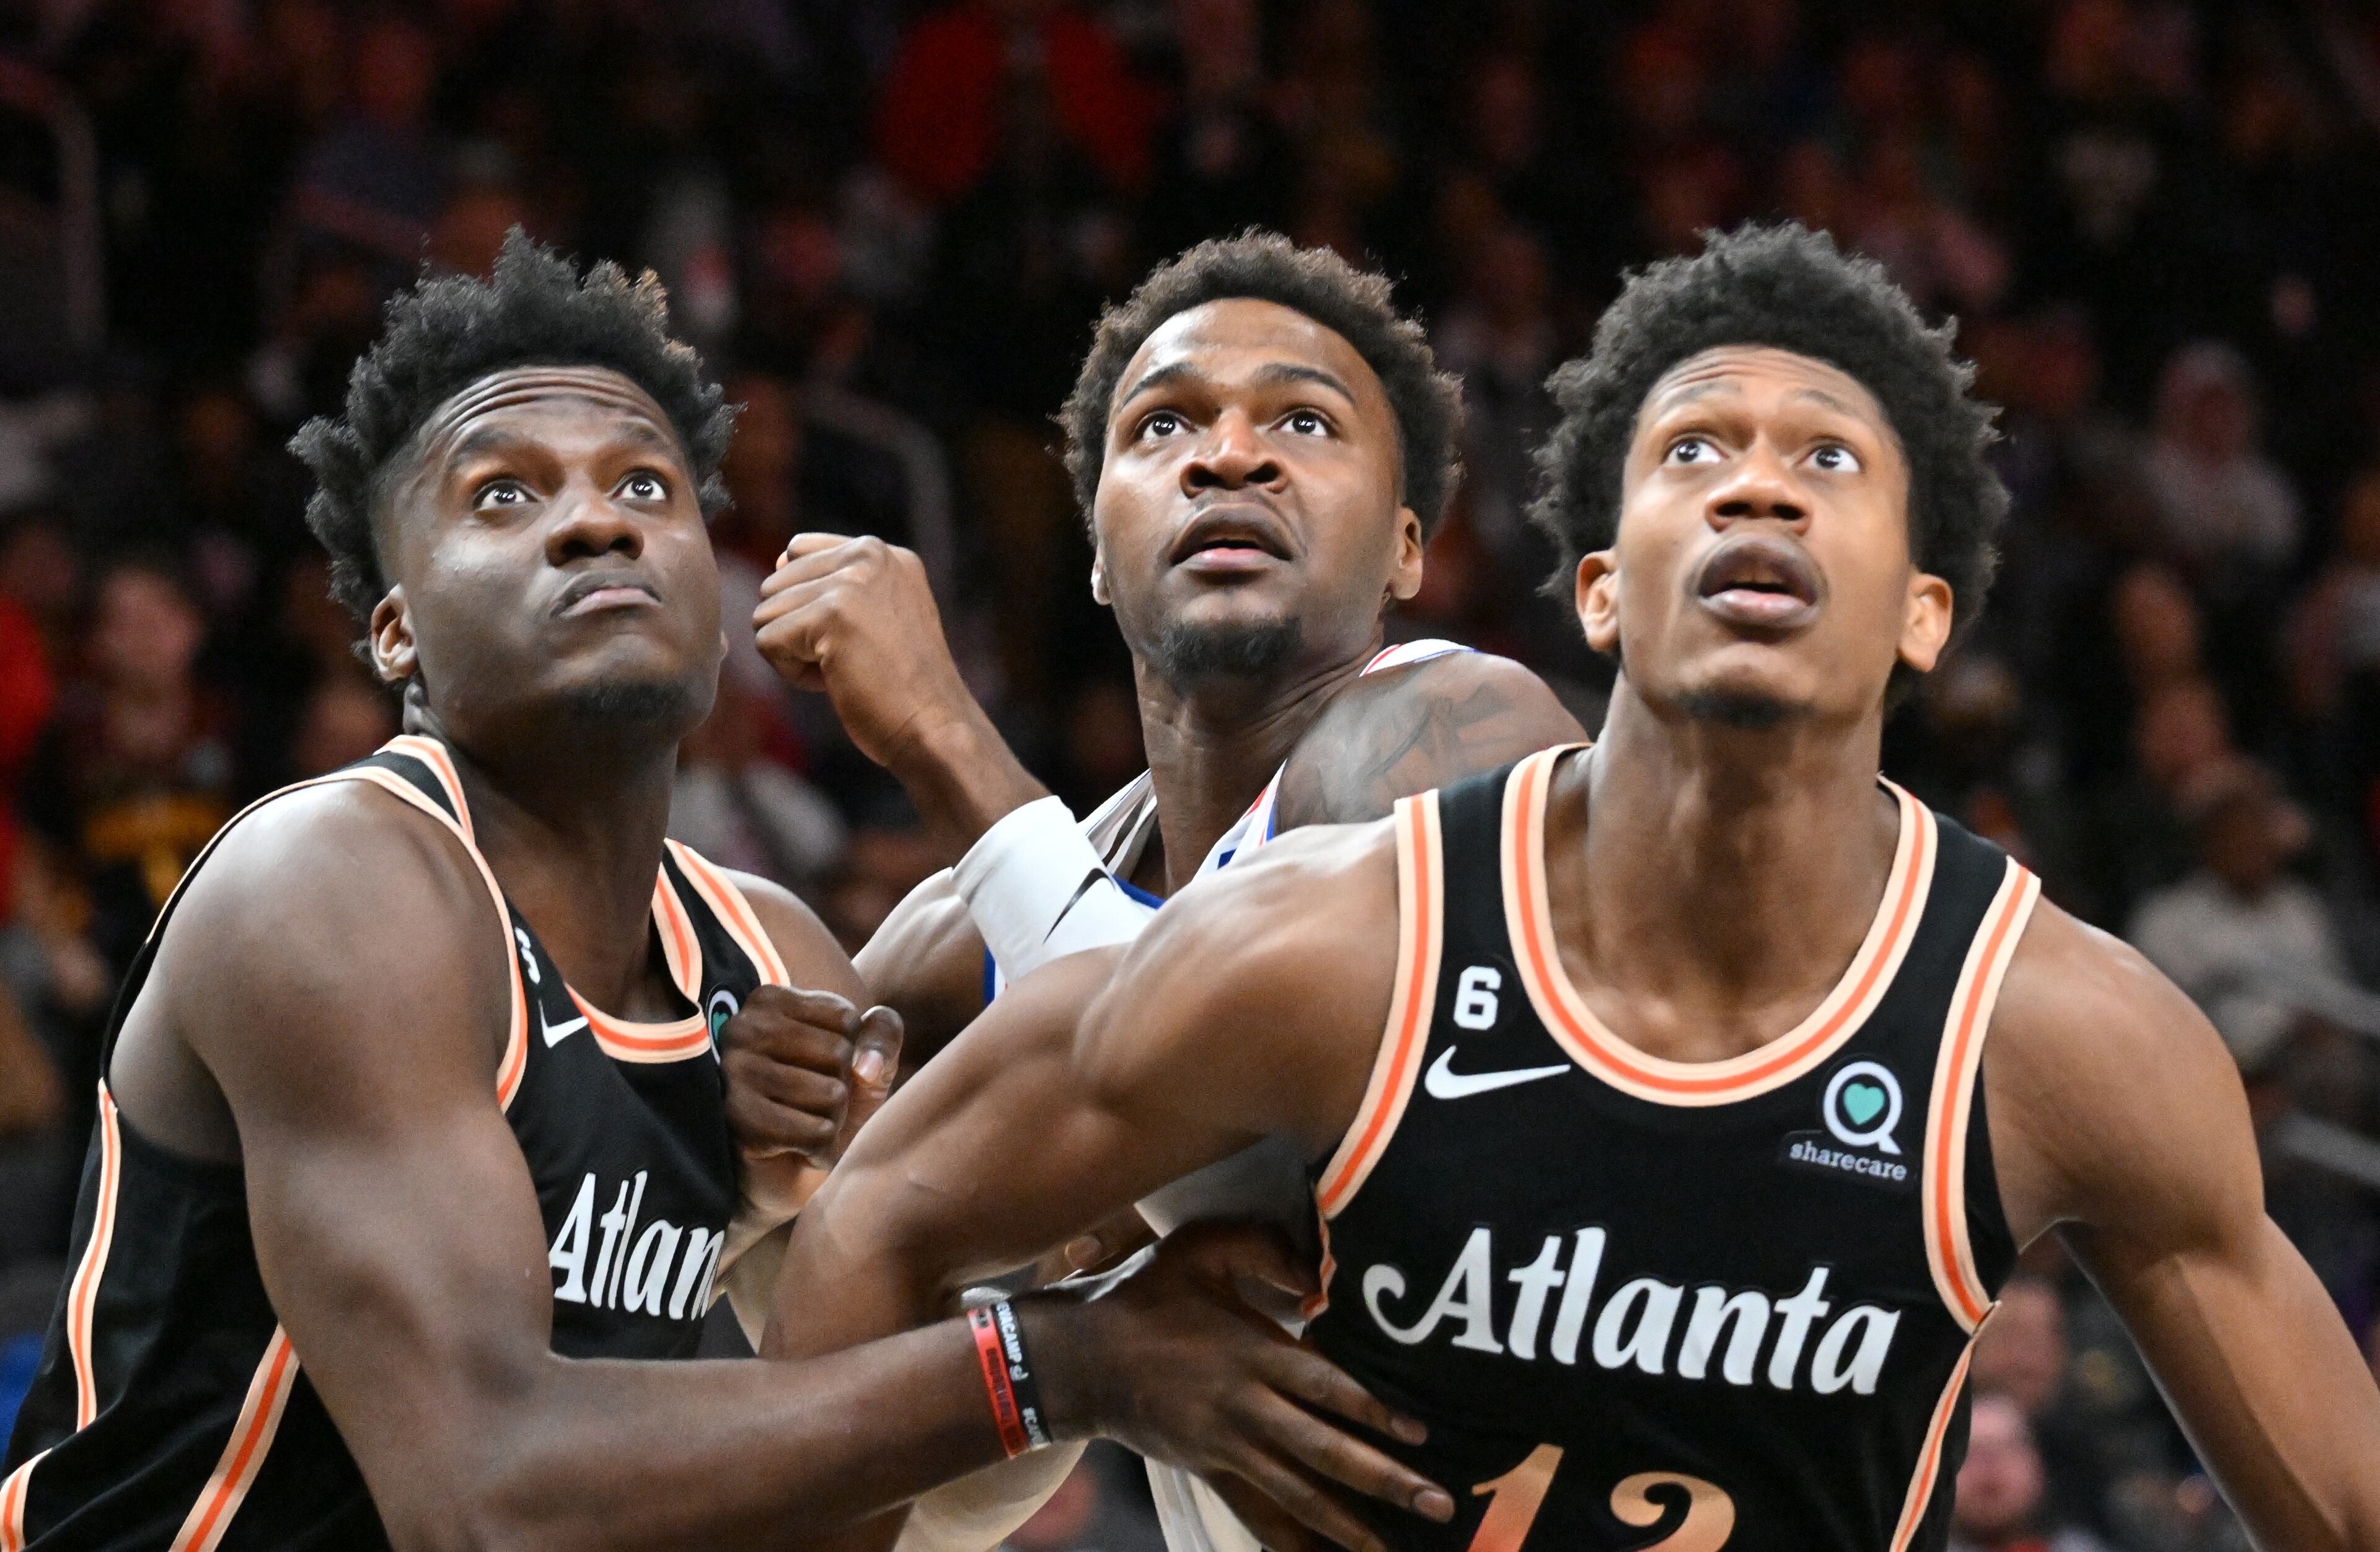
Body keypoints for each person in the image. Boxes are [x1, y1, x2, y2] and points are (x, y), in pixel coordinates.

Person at [765, 224, 2380, 1551]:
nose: (1761, 488)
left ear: (1926, 616)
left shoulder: (2059, 1030)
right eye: (1697, 453)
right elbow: (869, 1231)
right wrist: (1069, 1364)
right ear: (1600, 589)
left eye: (1828, 459)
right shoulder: (1337, 941)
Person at [0, 234, 1452, 1552]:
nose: (594, 525)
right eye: (503, 495)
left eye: (644, 487)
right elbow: (485, 1494)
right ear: (395, 630)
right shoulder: (333, 881)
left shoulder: (773, 955)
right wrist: (1062, 1358)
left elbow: (902, 1501)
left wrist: (878, 1237)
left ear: (716, 577)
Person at [752, 232, 1582, 1548]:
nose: (1230, 454)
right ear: (1095, 549)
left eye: (1303, 421)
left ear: (1409, 549)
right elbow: (895, 1482)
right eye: (1165, 424)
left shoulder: (1465, 728)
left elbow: (1233, 1111)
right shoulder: (963, 938)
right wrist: (1057, 1338)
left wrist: (940, 737)